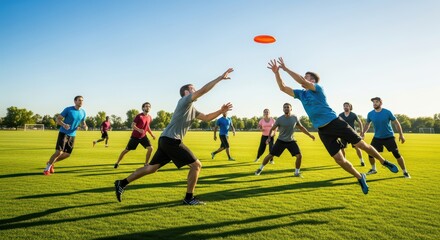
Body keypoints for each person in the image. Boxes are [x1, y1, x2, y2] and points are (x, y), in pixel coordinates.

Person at [267, 57, 399, 194]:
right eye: (305, 77)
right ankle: (360, 177)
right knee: (339, 159)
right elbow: (282, 87)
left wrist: (286, 68)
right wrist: (277, 72)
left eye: (307, 78)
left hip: (336, 123)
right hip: (323, 131)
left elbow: (301, 80)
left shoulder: (317, 89)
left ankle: (384, 162)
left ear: (312, 81)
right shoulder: (301, 94)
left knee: (361, 145)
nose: (304, 79)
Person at [114, 68, 234, 205]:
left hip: (166, 140)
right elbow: (202, 91)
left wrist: (221, 111)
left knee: (151, 168)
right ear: (186, 93)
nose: (195, 90)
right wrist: (219, 78)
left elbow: (207, 118)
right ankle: (189, 198)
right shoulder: (184, 101)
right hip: (172, 140)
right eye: (192, 89)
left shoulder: (191, 109)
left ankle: (121, 183)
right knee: (196, 166)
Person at [255, 103, 315, 177]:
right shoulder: (280, 119)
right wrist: (269, 138)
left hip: (291, 141)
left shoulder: (295, 118)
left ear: (291, 109)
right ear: (283, 109)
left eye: (288, 107)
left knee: (299, 156)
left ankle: (296, 172)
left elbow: (301, 128)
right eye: (285, 107)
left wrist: (310, 135)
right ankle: (260, 169)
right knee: (270, 155)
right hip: (281, 141)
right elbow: (272, 129)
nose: (286, 108)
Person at [361, 97, 411, 178]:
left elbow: (396, 123)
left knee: (396, 154)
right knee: (370, 153)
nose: (374, 103)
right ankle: (373, 169)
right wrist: (363, 133)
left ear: (380, 103)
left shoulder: (387, 112)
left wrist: (401, 135)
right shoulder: (370, 114)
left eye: (376, 102)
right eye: (373, 102)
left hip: (389, 137)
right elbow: (367, 124)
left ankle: (405, 172)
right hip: (377, 138)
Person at [43, 96, 87, 175]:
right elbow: (58, 119)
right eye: (79, 100)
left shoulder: (83, 112)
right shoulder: (68, 109)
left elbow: (83, 122)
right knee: (59, 152)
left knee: (67, 154)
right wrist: (64, 125)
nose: (81, 102)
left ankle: (50, 163)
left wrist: (85, 126)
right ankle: (46, 169)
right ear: (75, 101)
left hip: (73, 135)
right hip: (63, 133)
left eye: (82, 100)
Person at [114, 102, 156, 168]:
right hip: (135, 137)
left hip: (143, 137)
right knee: (126, 150)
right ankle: (117, 162)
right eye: (146, 106)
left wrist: (152, 134)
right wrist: (139, 130)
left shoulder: (150, 117)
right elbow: (132, 125)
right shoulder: (139, 116)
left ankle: (146, 164)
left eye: (149, 106)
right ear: (143, 108)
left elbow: (147, 127)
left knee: (150, 148)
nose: (147, 107)